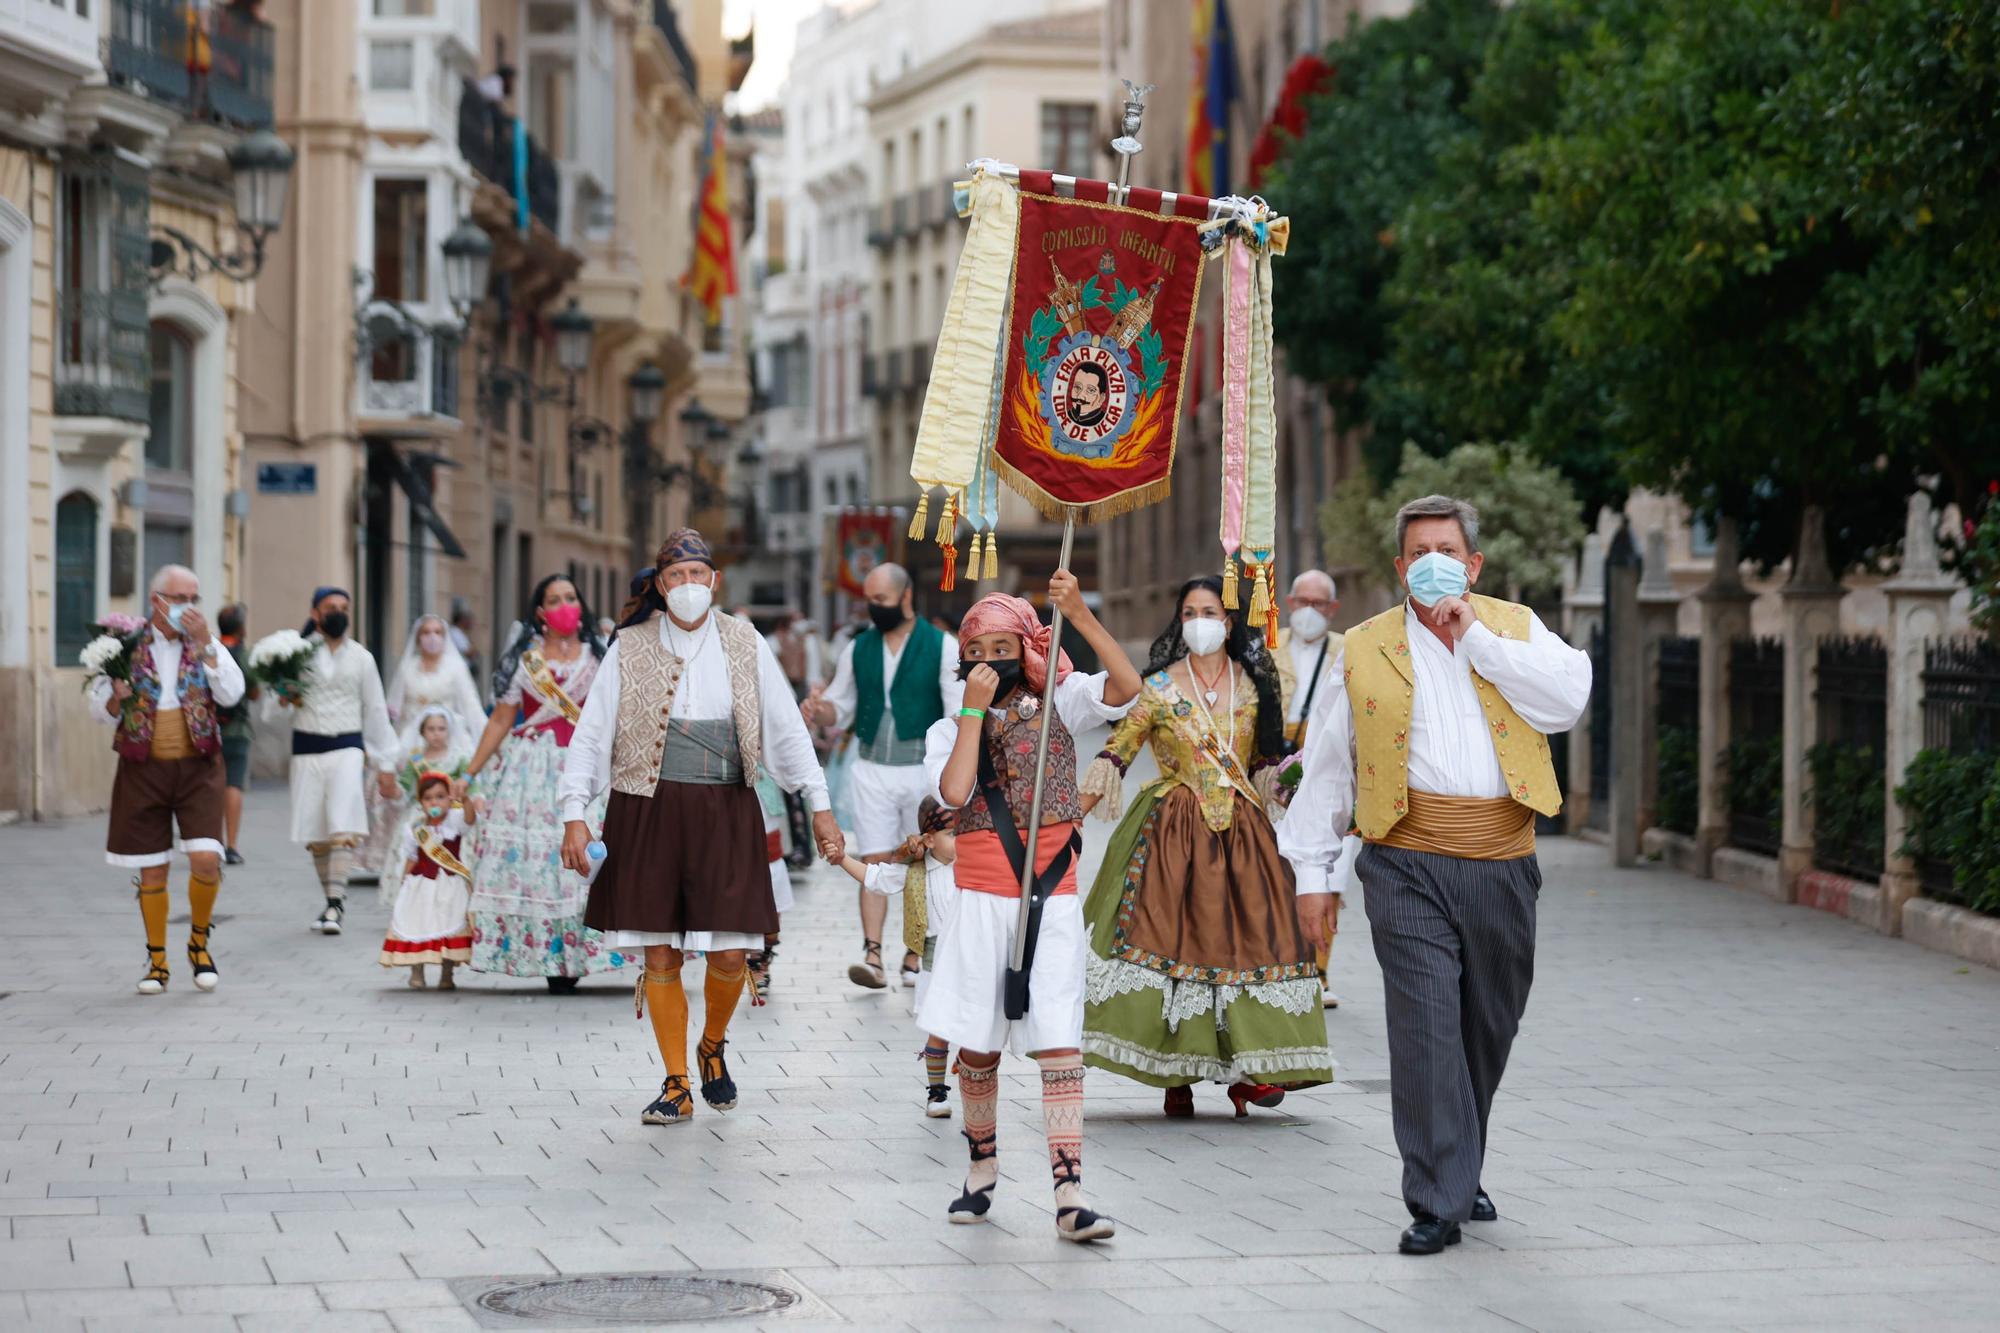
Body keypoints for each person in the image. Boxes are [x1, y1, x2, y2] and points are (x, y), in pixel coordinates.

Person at [1281, 494, 1591, 1256]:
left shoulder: (1516, 628)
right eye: (1417, 551)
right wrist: (1313, 875)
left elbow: (1567, 702)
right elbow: (1326, 766)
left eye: (1446, 549)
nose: (1431, 563)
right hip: (1405, 857)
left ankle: (1463, 1158)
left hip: (1502, 860)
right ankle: (1437, 1197)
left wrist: (1476, 636)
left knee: (1487, 1027)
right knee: (1424, 1028)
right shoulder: (1363, 647)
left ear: (1473, 562)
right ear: (1399, 566)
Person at [559, 529, 843, 1126]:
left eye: (697, 575)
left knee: (734, 952)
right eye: (675, 577)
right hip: (646, 807)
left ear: (714, 581)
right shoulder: (628, 647)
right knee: (659, 953)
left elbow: (786, 731)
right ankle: (676, 1081)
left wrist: (818, 802)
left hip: (726, 807)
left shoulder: (746, 642)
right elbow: (592, 737)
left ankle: (712, 1045)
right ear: (659, 587)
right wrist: (573, 815)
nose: (688, 587)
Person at [917, 575, 1139, 1242]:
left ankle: (1069, 1189)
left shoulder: (1063, 700)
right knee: (978, 1038)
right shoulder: (949, 721)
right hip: (981, 894)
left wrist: (1080, 615)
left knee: (1058, 1034)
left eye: (1003, 644)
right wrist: (974, 713)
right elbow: (954, 789)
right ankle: (981, 1166)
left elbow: (1127, 689)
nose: (989, 657)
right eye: (975, 647)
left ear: (1028, 644)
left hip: (1051, 890)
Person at [1078, 575, 1333, 1116]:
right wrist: (1064, 824)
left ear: (1229, 621)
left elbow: (1263, 761)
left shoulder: (1255, 684)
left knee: (1253, 941)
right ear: (1180, 620)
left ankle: (1249, 1070)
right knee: (1174, 944)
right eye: (1189, 611)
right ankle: (1177, 1073)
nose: (1199, 621)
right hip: (1172, 831)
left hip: (1244, 829)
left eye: (1209, 611)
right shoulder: (1158, 686)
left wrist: (1289, 789)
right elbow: (1118, 751)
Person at [802, 563, 962, 989]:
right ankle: (873, 956)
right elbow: (841, 707)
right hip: (871, 766)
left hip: (922, 770)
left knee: (922, 859)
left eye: (880, 601)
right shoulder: (859, 649)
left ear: (906, 597)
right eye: (869, 601)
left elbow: (956, 711)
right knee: (873, 858)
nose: (873, 609)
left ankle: (914, 954)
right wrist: (820, 710)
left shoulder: (943, 646)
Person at [464, 573, 623, 991]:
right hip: (533, 771)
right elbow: (501, 718)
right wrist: (469, 772)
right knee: (539, 865)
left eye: (571, 597)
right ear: (540, 612)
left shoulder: (600, 655)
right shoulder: (526, 659)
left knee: (595, 855)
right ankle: (552, 958)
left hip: (588, 768)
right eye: (555, 599)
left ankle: (593, 951)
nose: (565, 605)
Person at [97, 565, 246, 994]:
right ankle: (157, 960)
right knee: (152, 868)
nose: (188, 608)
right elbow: (97, 709)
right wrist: (114, 698)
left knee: (205, 857)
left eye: (194, 600)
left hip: (198, 763)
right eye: (180, 599)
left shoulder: (207, 642)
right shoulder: (123, 646)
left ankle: (199, 944)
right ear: (156, 600)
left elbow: (232, 693)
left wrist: (206, 648)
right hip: (143, 765)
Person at [279, 588, 401, 937]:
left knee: (342, 827)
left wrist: (386, 763)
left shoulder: (362, 658)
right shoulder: (296, 656)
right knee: (317, 834)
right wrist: (285, 694)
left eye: (344, 608)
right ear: (315, 612)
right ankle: (330, 900)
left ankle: (336, 904)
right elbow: (274, 710)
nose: (337, 613)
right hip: (306, 749)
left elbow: (376, 710)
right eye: (330, 607)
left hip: (347, 748)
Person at [833, 798, 959, 1117]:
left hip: (971, 958)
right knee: (939, 1028)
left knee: (977, 1028)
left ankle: (976, 1083)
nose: (964, 842)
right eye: (955, 834)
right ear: (929, 840)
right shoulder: (914, 872)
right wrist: (842, 859)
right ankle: (936, 1093)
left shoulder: (976, 866)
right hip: (934, 960)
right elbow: (874, 877)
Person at [359, 615, 489, 882]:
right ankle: (403, 853)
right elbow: (393, 707)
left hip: (449, 735)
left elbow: (471, 707)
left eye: (438, 632)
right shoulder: (408, 668)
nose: (432, 637)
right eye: (426, 633)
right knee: (397, 789)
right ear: (418, 638)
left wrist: (488, 741)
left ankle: (452, 851)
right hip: (414, 736)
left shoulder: (455, 669)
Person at [1275, 568, 1346, 1009]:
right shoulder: (1267, 646)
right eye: (1303, 602)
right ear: (1288, 602)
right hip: (1276, 774)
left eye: (1319, 604)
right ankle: (1282, 965)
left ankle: (1318, 973)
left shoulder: (1349, 649)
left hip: (1329, 768)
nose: (1310, 612)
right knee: (1280, 870)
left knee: (1329, 873)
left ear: (1332, 609)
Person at [378, 771, 476, 989]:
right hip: (421, 883)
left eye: (440, 796)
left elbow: (470, 819)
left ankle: (447, 972)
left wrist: (466, 799)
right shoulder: (415, 829)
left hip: (449, 883)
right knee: (417, 923)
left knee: (450, 921)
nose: (435, 802)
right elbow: (411, 858)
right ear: (421, 802)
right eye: (429, 798)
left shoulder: (454, 821)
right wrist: (404, 882)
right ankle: (417, 970)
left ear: (449, 798)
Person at [377, 705, 473, 911]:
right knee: (413, 856)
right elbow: (405, 788)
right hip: (421, 816)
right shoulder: (416, 760)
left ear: (449, 731)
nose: (436, 734)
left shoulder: (459, 759)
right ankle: (412, 901)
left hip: (452, 818)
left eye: (441, 728)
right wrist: (393, 789)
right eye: (431, 729)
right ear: (422, 732)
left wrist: (473, 800)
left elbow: (472, 788)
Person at [213, 602, 257, 865]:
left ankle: (212, 842)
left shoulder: (213, 651)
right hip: (238, 729)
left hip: (210, 729)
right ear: (241, 627)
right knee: (233, 785)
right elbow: (254, 691)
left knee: (212, 785)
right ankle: (232, 846)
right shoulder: (245, 655)